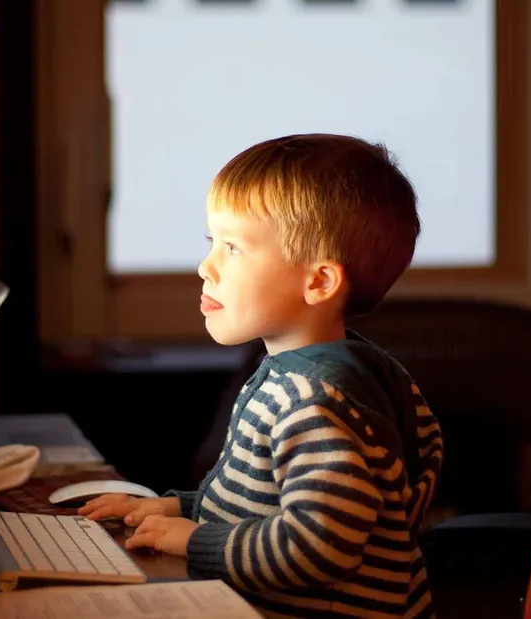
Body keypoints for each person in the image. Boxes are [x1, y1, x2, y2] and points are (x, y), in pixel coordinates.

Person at [80, 134, 444, 618]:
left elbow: (320, 545)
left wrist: (198, 541)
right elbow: (272, 503)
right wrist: (182, 509)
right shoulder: (341, 372)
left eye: (232, 248)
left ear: (318, 282)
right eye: (212, 242)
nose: (205, 266)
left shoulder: (314, 401)